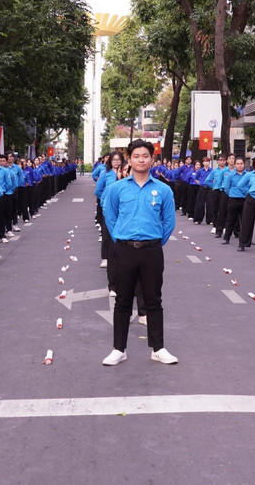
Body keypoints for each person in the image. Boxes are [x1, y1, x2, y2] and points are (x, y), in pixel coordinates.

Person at [101, 139, 177, 366]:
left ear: (152, 159)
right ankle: (118, 349)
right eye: (136, 156)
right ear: (129, 160)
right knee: (122, 301)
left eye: (145, 156)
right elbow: (110, 216)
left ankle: (158, 348)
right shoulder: (117, 188)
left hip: (152, 251)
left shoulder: (163, 189)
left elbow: (169, 222)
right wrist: (121, 240)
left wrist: (153, 243)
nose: (141, 159)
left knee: (153, 299)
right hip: (124, 250)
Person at [96, 151, 124, 292]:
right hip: (109, 211)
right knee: (108, 237)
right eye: (114, 159)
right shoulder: (105, 174)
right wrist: (105, 200)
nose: (117, 162)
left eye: (119, 160)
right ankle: (105, 258)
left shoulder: (126, 174)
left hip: (124, 213)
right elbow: (98, 190)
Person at [236, 156, 255, 252]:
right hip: (251, 199)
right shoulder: (249, 175)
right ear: (254, 163)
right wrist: (248, 193)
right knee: (247, 222)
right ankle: (243, 243)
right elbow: (240, 185)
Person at [221, 156, 247, 245]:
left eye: (241, 164)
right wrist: (232, 194)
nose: (240, 166)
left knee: (244, 221)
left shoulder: (247, 175)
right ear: (235, 165)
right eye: (238, 164)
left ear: (244, 164)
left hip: (244, 199)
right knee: (230, 220)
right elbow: (227, 188)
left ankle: (244, 240)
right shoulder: (230, 175)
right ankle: (226, 238)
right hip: (233, 199)